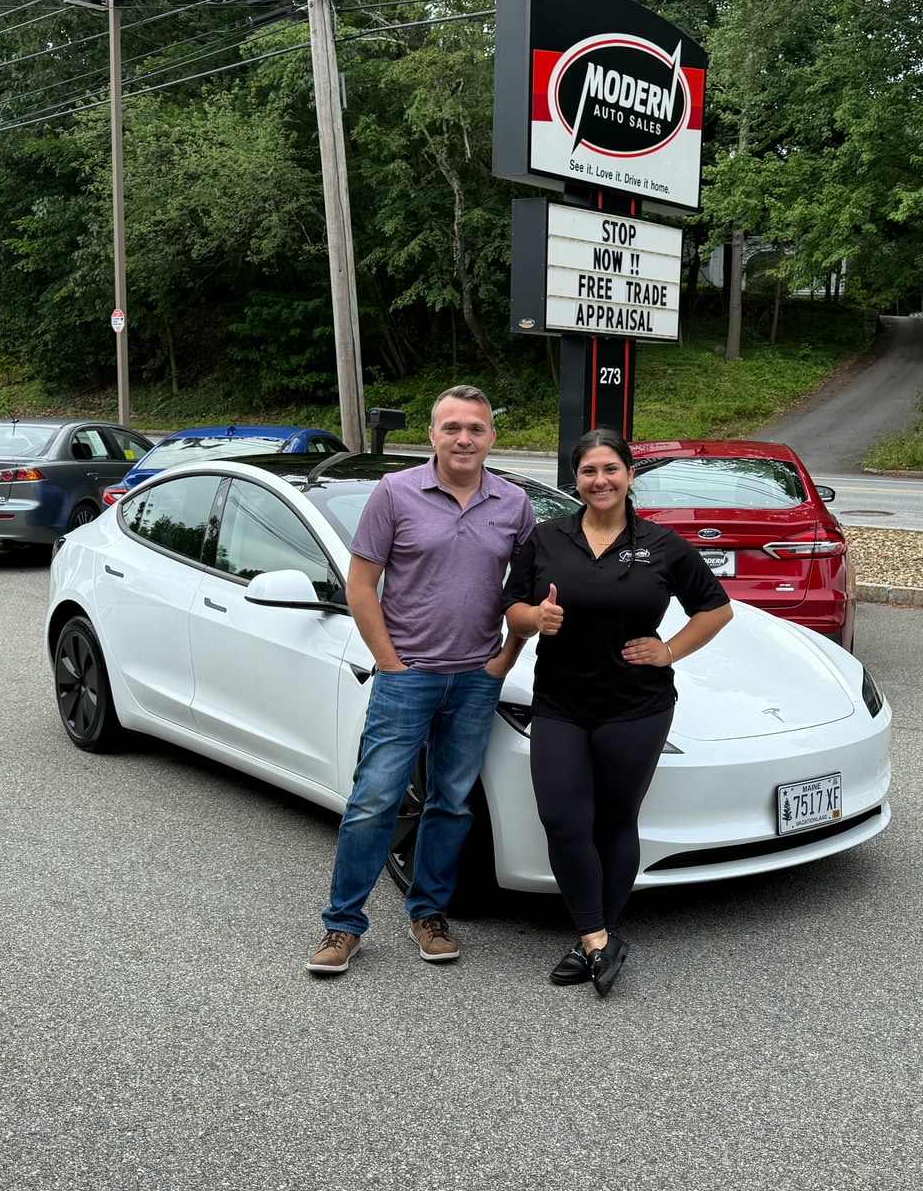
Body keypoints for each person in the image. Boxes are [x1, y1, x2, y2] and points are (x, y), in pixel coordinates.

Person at [493, 428, 734, 996]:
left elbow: (716, 610)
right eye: (588, 471)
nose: (599, 481)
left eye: (610, 469)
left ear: (628, 476)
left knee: (615, 820)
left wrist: (669, 649)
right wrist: (534, 620)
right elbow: (511, 605)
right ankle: (598, 938)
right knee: (562, 817)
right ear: (575, 480)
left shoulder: (663, 544)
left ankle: (592, 939)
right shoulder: (547, 538)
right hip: (560, 703)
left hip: (636, 706)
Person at [306, 386, 535, 976]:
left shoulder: (513, 503)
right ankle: (342, 925)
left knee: (451, 802)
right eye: (452, 427)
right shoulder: (395, 493)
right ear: (432, 434)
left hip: (476, 678)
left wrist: (506, 657)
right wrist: (388, 662)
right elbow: (362, 585)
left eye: (477, 429)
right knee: (372, 799)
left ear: (492, 437)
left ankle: (428, 912)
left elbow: (528, 592)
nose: (465, 438)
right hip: (407, 676)